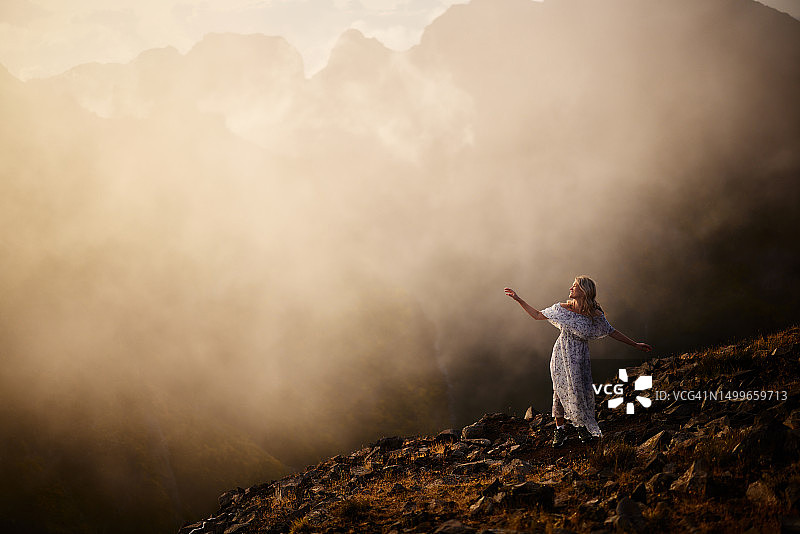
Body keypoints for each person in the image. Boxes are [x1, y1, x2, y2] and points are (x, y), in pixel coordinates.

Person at [504, 276, 652, 447]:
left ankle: (580, 425)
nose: (570, 288)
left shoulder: (594, 314)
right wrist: (518, 299)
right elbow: (537, 315)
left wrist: (635, 344)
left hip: (580, 355)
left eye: (574, 286)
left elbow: (611, 331)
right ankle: (560, 430)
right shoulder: (562, 308)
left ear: (584, 291)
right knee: (559, 390)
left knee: (579, 389)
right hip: (562, 353)